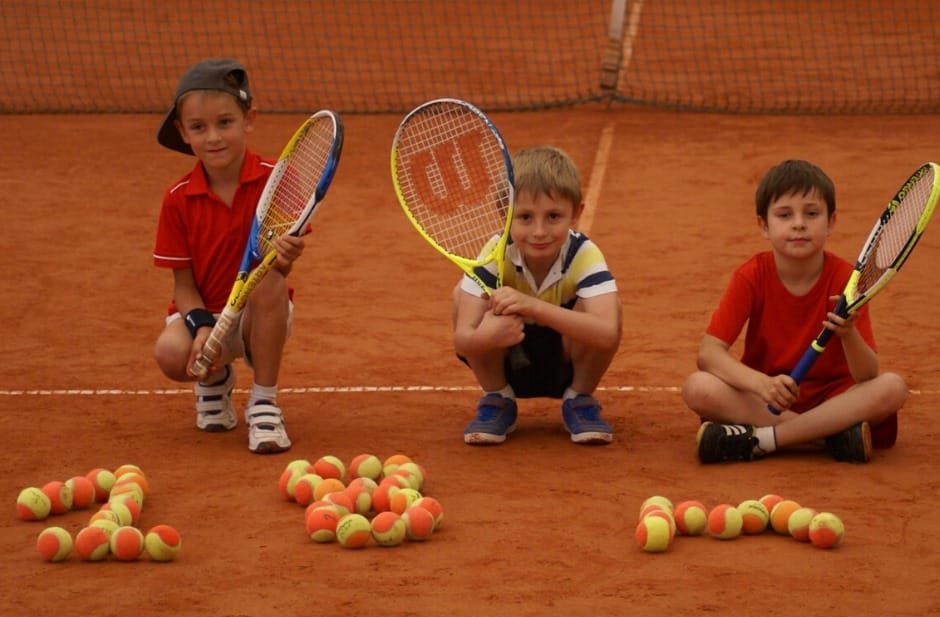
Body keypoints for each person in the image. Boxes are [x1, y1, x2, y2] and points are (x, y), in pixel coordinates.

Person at [682, 159, 908, 464]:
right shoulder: (751, 276)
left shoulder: (848, 281)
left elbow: (867, 375)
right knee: (698, 387)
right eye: (785, 215)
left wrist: (848, 334)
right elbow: (709, 353)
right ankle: (827, 438)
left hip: (835, 401)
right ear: (763, 225)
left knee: (892, 387)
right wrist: (762, 384)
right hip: (767, 402)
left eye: (811, 214)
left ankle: (764, 440)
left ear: (831, 222)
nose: (799, 224)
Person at [152, 58, 305, 454]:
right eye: (198, 127)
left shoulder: (277, 179)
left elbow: (279, 269)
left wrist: (284, 257)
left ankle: (264, 401)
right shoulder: (176, 199)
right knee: (169, 352)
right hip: (202, 314)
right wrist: (203, 328)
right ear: (182, 132)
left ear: (248, 119)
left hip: (258, 316)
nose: (213, 137)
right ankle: (215, 379)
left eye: (225, 122)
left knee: (267, 279)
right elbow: (183, 286)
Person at [452, 146, 622, 446]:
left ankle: (579, 398)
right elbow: (462, 340)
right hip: (508, 352)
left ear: (576, 213)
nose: (539, 231)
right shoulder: (494, 254)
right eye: (525, 217)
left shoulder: (584, 254)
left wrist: (533, 307)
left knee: (609, 307)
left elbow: (607, 332)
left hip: (566, 362)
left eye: (553, 216)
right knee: (462, 295)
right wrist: (484, 335)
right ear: (505, 214)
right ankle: (497, 397)